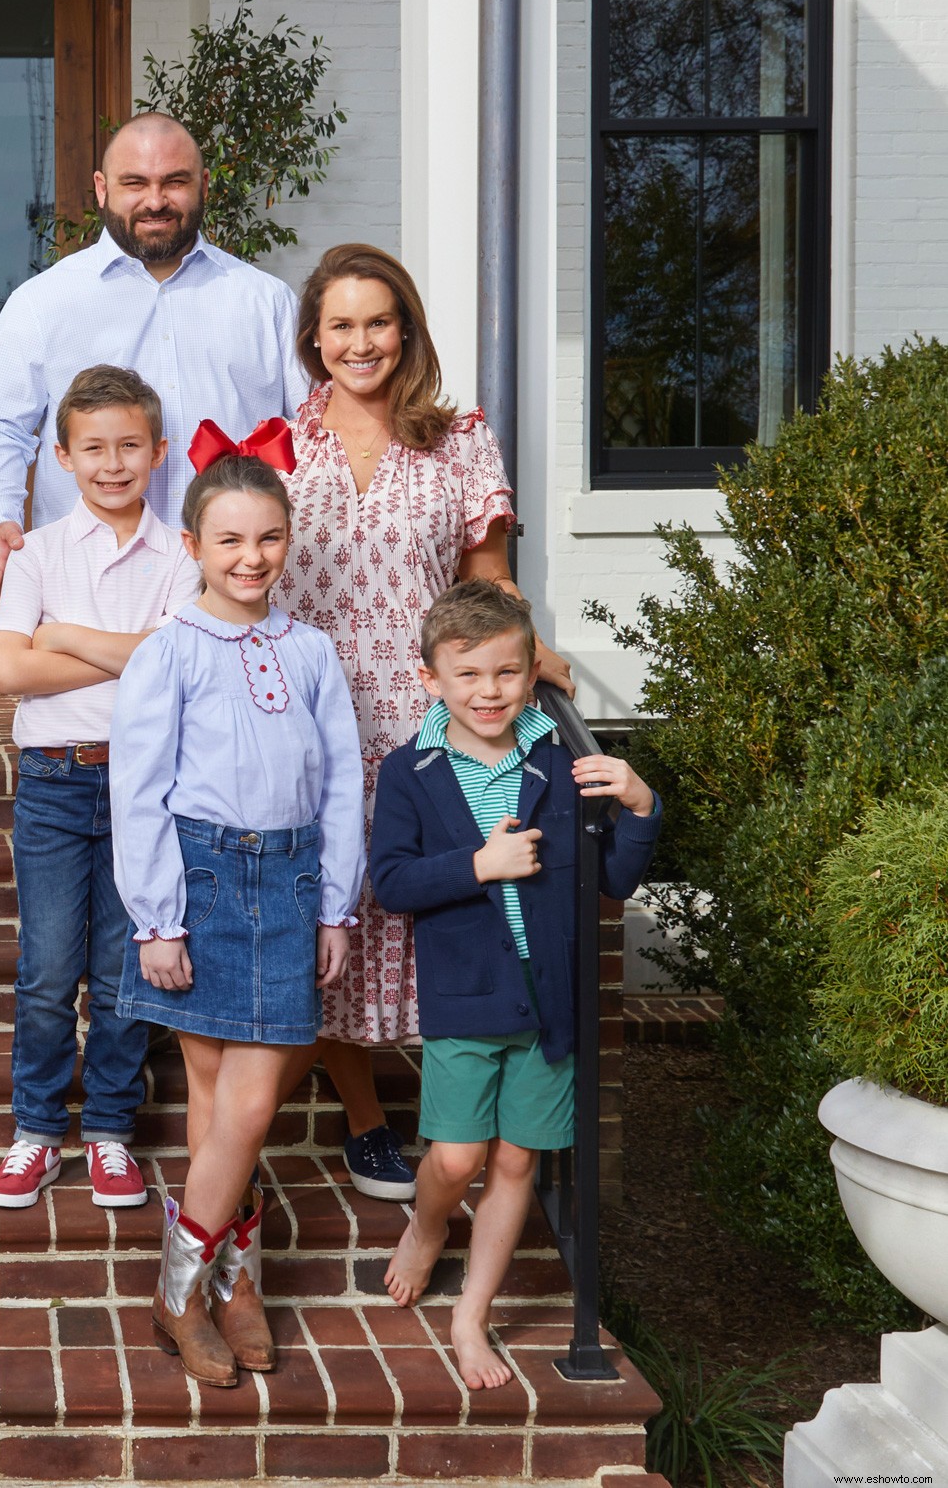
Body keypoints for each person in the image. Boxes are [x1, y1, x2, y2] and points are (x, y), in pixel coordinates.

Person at [276, 242, 574, 1204]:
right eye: (340, 326)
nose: (359, 343)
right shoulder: (278, 442)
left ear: (404, 330)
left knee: (445, 918)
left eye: (377, 322)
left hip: (426, 728)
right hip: (312, 723)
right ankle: (366, 1122)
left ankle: (462, 1122)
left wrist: (529, 651)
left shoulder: (459, 439)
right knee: (332, 926)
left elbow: (486, 581)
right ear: (313, 339)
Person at [110, 432, 365, 1387]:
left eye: (267, 538)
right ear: (193, 548)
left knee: (246, 1107)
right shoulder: (169, 654)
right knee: (221, 1103)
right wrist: (158, 919)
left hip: (292, 881)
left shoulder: (309, 652)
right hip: (205, 878)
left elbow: (340, 783)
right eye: (229, 541)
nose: (250, 558)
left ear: (288, 540)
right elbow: (138, 792)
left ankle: (190, 1287)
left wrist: (336, 905)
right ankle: (223, 1286)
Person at [370, 580, 661, 1389]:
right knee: (457, 1158)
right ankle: (428, 1227)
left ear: (532, 672)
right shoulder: (411, 771)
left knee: (516, 1164)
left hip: (552, 1007)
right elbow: (391, 881)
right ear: (432, 679)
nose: (488, 692)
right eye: (467, 676)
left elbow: (614, 880)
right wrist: (478, 864)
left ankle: (472, 1318)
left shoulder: (562, 759)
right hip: (466, 998)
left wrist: (640, 804)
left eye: (505, 673)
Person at [0, 365, 199, 1210]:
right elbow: (8, 669)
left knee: (120, 970)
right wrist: (129, 651)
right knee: (47, 970)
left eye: (130, 447)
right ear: (62, 458)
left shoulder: (182, 555)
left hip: (146, 790)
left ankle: (109, 1130)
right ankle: (36, 1130)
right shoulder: (35, 553)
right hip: (54, 785)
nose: (113, 464)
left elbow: (174, 666)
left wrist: (64, 638)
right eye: (94, 448)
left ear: (158, 451)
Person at [0, 113, 306, 608]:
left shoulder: (267, 303)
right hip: (87, 589)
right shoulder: (42, 303)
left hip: (235, 591)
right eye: (135, 183)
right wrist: (0, 520)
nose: (155, 200)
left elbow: (316, 434)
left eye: (175, 182)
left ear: (204, 184)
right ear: (102, 189)